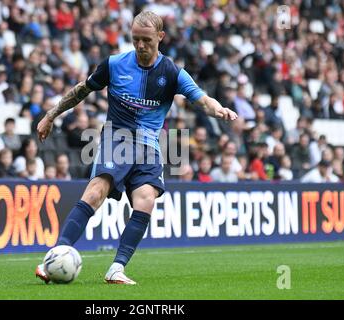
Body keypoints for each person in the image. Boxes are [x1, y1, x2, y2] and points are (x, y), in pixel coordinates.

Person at [35, 11, 237, 285]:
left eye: (146, 40)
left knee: (146, 200)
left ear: (160, 37)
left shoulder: (172, 73)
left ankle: (116, 268)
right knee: (96, 192)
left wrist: (219, 109)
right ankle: (54, 256)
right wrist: (50, 115)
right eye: (135, 39)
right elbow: (82, 89)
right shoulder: (115, 64)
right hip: (117, 139)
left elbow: (202, 99)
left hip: (149, 146)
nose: (140, 45)